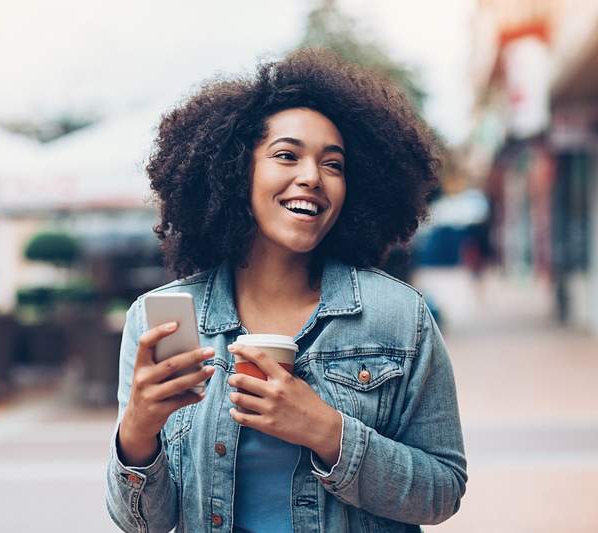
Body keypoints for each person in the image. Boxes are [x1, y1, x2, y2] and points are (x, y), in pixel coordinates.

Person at [105, 49, 467, 532]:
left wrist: (324, 430)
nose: (312, 178)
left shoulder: (398, 317)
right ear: (236, 171)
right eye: (286, 155)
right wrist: (137, 431)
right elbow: (143, 524)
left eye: (333, 164)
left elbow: (441, 491)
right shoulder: (165, 320)